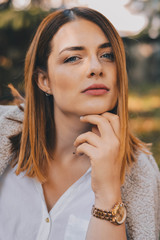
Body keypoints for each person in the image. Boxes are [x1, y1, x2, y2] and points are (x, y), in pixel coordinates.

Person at [0, 7, 159, 240]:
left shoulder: (142, 172)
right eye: (73, 58)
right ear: (44, 81)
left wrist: (108, 193)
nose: (96, 68)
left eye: (107, 55)